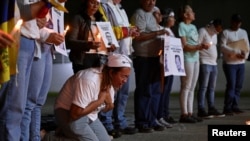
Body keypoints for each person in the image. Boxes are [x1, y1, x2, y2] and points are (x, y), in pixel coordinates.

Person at [0, 0, 67, 141]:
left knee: (20, 106)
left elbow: (29, 16)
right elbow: (21, 12)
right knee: (14, 107)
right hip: (19, 40)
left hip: (29, 41)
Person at [42, 53, 132, 141]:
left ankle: (65, 131)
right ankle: (49, 137)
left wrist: (109, 104)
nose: (125, 81)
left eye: (127, 77)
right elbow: (75, 114)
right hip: (67, 112)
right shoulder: (89, 80)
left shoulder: (110, 82)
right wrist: (99, 101)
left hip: (89, 116)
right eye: (123, 76)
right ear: (112, 72)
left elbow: (105, 108)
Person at [21, 7, 65, 140]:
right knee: (29, 102)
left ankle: (34, 136)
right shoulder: (34, 4)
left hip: (47, 49)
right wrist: (48, 34)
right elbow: (29, 25)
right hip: (35, 49)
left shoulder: (55, 7)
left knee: (39, 101)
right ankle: (25, 137)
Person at [98, 0, 140, 138]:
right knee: (110, 91)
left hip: (125, 53)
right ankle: (107, 123)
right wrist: (127, 31)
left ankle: (120, 122)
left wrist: (132, 30)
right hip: (112, 53)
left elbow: (124, 27)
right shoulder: (103, 5)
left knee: (124, 91)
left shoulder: (120, 8)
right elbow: (105, 29)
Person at [130, 0, 169, 133]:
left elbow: (158, 24)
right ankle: (142, 122)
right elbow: (138, 36)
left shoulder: (154, 12)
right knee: (144, 90)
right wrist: (158, 34)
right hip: (143, 58)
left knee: (156, 90)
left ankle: (152, 119)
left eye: (153, 0)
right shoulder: (139, 14)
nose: (151, 3)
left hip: (155, 57)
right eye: (148, 0)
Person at [177, 5, 209, 123]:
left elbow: (196, 42)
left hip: (195, 57)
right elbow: (184, 45)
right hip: (187, 59)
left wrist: (201, 46)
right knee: (186, 85)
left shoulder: (194, 27)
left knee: (192, 87)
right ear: (186, 15)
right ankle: (184, 114)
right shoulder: (182, 26)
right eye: (191, 12)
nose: (194, 13)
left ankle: (190, 112)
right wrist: (198, 47)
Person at [66, 0, 116, 74]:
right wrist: (88, 44)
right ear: (86, 3)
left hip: (100, 58)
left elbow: (106, 39)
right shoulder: (78, 18)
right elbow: (70, 42)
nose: (95, 6)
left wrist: (109, 45)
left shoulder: (101, 20)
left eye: (97, 3)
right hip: (83, 59)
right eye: (92, 2)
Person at [220, 13, 249, 116]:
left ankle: (235, 106)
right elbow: (222, 47)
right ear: (232, 22)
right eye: (236, 22)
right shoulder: (226, 33)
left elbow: (247, 46)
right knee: (231, 85)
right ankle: (227, 107)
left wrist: (245, 55)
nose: (237, 25)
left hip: (240, 63)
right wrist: (236, 51)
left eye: (239, 23)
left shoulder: (243, 32)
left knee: (238, 85)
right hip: (230, 63)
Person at [197, 19, 225, 119]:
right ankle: (201, 109)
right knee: (203, 87)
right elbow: (197, 45)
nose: (218, 31)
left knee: (211, 88)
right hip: (204, 62)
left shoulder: (215, 34)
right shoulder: (202, 31)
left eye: (219, 30)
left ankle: (211, 108)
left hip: (214, 63)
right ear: (213, 26)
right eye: (217, 29)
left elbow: (214, 46)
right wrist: (202, 46)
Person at [156, 7, 178, 126]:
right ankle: (160, 114)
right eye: (172, 17)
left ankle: (165, 113)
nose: (174, 20)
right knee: (162, 91)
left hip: (171, 64)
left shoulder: (170, 31)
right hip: (164, 65)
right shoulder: (162, 30)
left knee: (167, 91)